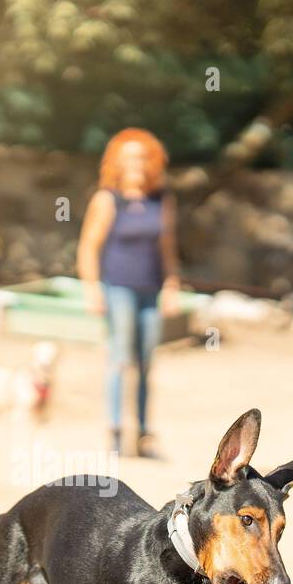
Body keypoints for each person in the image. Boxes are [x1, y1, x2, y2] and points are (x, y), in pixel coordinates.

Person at [77, 128, 181, 457]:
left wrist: (172, 284)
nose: (136, 164)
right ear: (117, 163)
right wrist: (91, 288)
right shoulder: (107, 199)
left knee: (147, 362)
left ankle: (144, 434)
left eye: (142, 157)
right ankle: (116, 432)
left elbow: (168, 247)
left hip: (151, 288)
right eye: (129, 158)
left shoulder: (161, 200)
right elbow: (88, 248)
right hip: (118, 288)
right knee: (120, 359)